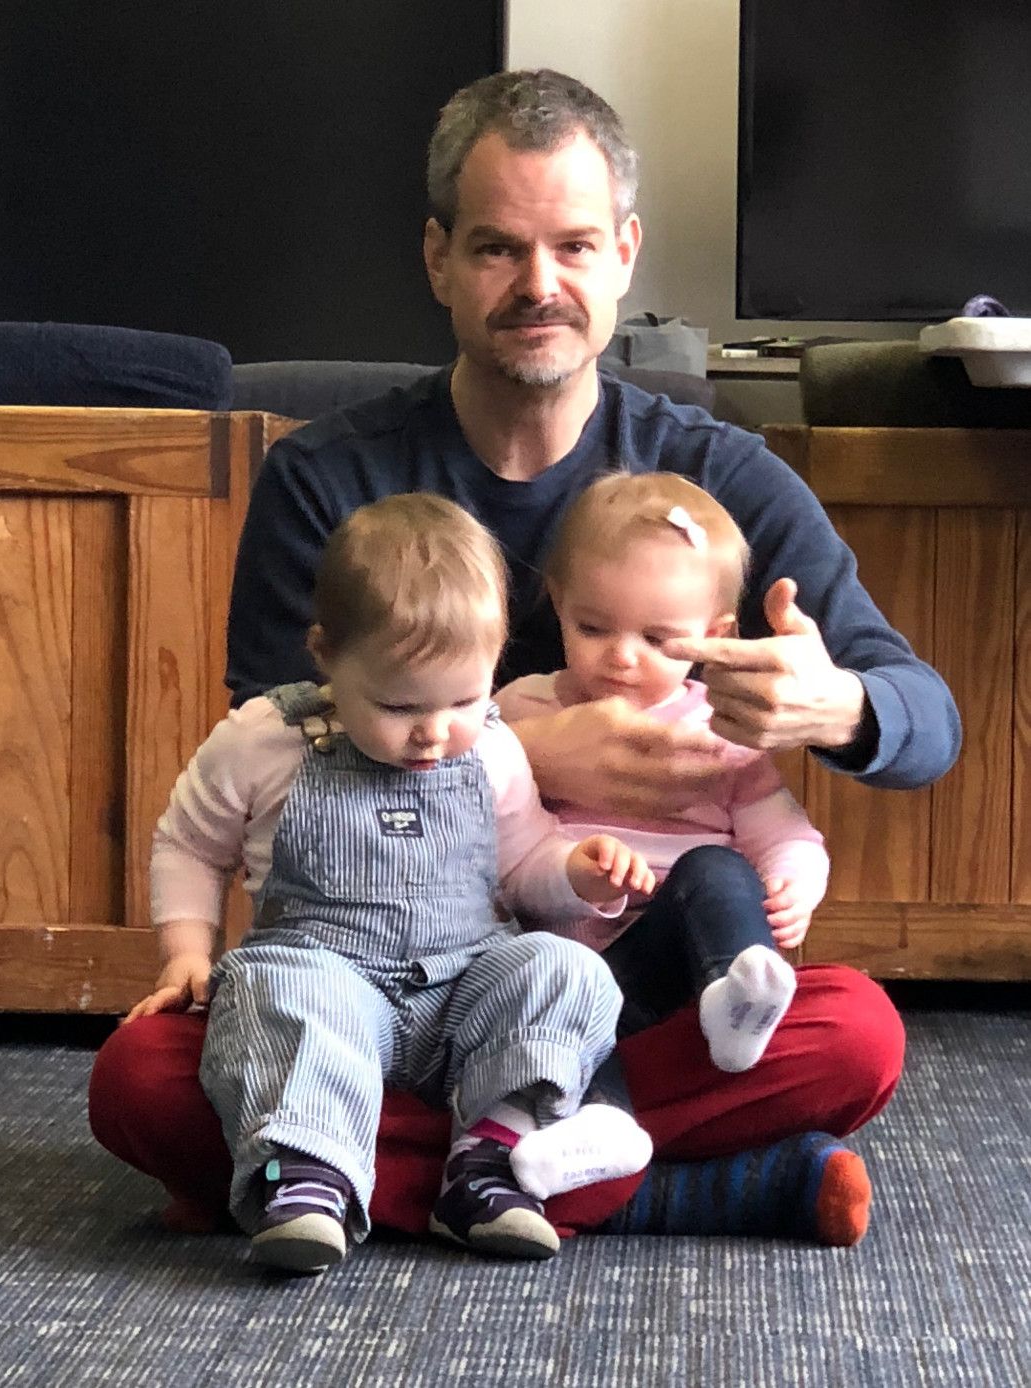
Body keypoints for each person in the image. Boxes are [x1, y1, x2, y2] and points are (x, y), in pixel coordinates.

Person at [90, 68, 935, 1247]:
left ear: (625, 251)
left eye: (574, 245)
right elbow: (281, 751)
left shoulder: (718, 480)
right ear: (438, 257)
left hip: (627, 985)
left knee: (855, 1034)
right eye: (498, 248)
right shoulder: (327, 480)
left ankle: (324, 1165)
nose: (541, 285)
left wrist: (832, 701)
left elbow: (922, 718)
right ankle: (674, 1183)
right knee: (138, 1076)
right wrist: (529, 747)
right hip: (373, 988)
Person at [128, 494, 655, 1274]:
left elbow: (521, 865)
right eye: (398, 705)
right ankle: (305, 1177)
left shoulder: (492, 751)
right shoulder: (265, 739)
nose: (433, 732)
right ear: (325, 656)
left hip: (465, 991)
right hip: (328, 979)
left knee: (569, 971)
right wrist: (184, 951)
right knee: (273, 989)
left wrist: (576, 874)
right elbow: (189, 845)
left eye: (464, 700)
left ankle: (489, 1163)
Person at [497, 471, 829, 1075]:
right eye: (592, 627)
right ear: (558, 601)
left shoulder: (719, 726)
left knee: (718, 869)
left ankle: (739, 1000)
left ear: (713, 637)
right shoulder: (523, 708)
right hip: (559, 971)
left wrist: (792, 883)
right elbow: (470, 818)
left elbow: (782, 829)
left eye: (658, 639)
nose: (622, 656)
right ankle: (586, 1093)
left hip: (680, 962)